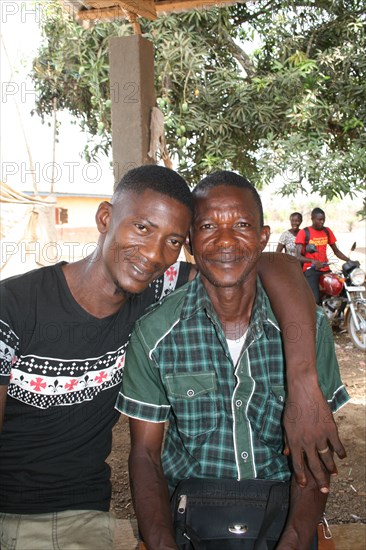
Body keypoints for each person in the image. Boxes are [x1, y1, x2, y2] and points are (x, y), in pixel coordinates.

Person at [0, 166, 344, 550]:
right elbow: (145, 454)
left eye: (172, 240)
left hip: (77, 512)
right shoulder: (14, 308)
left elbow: (263, 263)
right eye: (142, 228)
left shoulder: (155, 285)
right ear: (104, 218)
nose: (151, 253)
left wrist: (301, 380)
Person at [117, 171, 349, 550]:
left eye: (241, 225)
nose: (226, 241)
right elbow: (145, 456)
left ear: (262, 237)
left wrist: (293, 540)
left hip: (284, 516)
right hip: (191, 522)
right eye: (209, 226)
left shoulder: (307, 329)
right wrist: (161, 543)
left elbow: (316, 454)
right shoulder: (156, 333)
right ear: (190, 241)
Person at [295, 207, 351, 304]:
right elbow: (297, 256)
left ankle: (336, 315)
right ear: (312, 218)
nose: (322, 222)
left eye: (323, 219)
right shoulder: (304, 232)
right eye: (319, 219)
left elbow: (336, 251)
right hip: (311, 270)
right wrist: (313, 261)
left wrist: (349, 260)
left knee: (341, 291)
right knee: (315, 300)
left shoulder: (327, 231)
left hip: (325, 269)